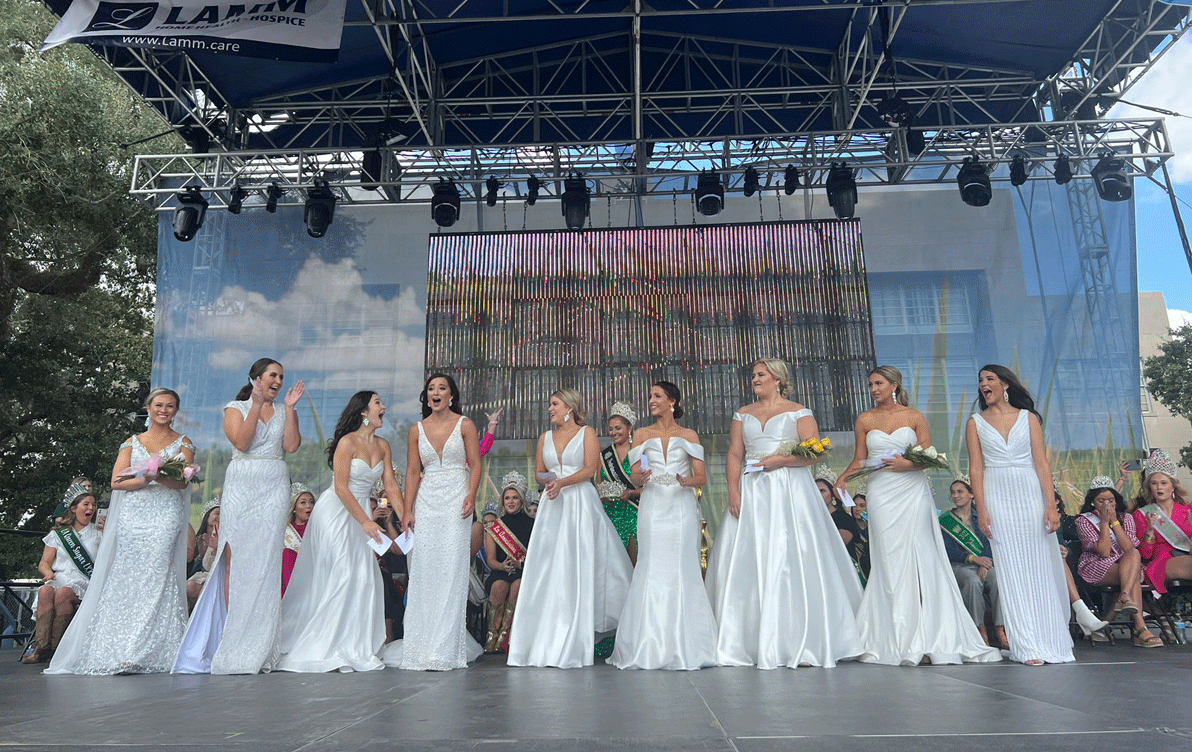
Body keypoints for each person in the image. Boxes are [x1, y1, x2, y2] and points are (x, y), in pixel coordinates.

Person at [837, 366, 999, 666]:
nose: (873, 389)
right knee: (889, 561)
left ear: (894, 385)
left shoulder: (914, 417)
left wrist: (906, 465)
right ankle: (895, 634)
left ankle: (930, 635)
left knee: (922, 559)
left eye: (879, 383)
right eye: (870, 384)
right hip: (881, 494)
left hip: (912, 493)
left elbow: (932, 457)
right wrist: (843, 478)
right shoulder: (865, 419)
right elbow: (861, 458)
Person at [708, 358, 863, 669]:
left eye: (761, 374)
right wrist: (734, 491)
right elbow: (735, 453)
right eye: (752, 375)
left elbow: (816, 451)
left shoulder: (798, 411)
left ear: (777, 379)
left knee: (794, 555)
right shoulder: (743, 414)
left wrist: (781, 461)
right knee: (752, 556)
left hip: (790, 490)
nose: (754, 379)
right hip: (754, 490)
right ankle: (748, 639)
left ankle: (803, 637)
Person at [47, 388, 196, 675]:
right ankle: (120, 646)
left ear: (176, 410)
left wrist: (160, 475)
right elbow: (117, 481)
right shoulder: (131, 442)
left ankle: (145, 647)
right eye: (159, 405)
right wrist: (144, 479)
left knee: (157, 571)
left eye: (170, 406)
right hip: (133, 515)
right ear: (149, 408)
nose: (164, 410)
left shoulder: (184, 443)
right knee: (129, 575)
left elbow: (183, 483)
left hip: (165, 514)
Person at [173, 358, 304, 675]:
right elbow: (243, 442)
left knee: (266, 560)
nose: (277, 380)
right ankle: (234, 634)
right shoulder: (235, 407)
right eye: (272, 375)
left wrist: (291, 409)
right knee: (236, 557)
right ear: (256, 378)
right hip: (243, 483)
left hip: (273, 484)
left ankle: (260, 640)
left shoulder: (285, 409)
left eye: (281, 377)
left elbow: (292, 445)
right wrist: (256, 405)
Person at [507, 388, 634, 668]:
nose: (549, 409)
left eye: (554, 404)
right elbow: (540, 471)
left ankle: (580, 627)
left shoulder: (587, 433)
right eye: (549, 404)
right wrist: (550, 481)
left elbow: (590, 469)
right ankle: (551, 629)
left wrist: (563, 483)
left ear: (569, 407)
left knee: (580, 562)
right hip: (554, 506)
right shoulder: (544, 438)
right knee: (551, 565)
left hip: (579, 504)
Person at [276, 392, 402, 672]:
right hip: (336, 512)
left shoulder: (383, 445)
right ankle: (327, 643)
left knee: (365, 576)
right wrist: (365, 522)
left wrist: (406, 516)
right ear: (363, 412)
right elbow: (342, 487)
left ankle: (355, 641)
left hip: (362, 515)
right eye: (378, 403)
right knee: (344, 571)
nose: (384, 407)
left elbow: (390, 485)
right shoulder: (347, 443)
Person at [967, 364, 1072, 665]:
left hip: (1029, 495)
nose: (984, 384)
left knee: (1038, 566)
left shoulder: (1028, 419)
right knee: (1012, 572)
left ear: (1005, 385)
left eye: (990, 379)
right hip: (997, 494)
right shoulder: (975, 422)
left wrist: (1050, 505)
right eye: (981, 381)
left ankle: (1050, 639)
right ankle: (1025, 644)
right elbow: (976, 468)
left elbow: (1042, 464)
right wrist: (982, 508)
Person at [610, 381, 717, 670]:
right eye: (650, 395)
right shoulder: (642, 434)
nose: (651, 400)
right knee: (652, 566)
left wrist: (686, 481)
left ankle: (688, 642)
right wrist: (639, 478)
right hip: (653, 505)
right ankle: (650, 640)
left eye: (656, 396)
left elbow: (701, 477)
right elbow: (634, 474)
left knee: (683, 567)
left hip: (681, 507)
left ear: (672, 401)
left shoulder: (689, 435)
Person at [384, 373, 483, 670]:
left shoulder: (465, 424)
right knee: (425, 570)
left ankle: (444, 649)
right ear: (426, 396)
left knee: (451, 571)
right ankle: (421, 647)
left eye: (442, 388)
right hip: (427, 503)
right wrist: (407, 510)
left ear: (451, 395)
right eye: (431, 388)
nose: (436, 392)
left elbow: (476, 463)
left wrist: (471, 495)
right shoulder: (416, 430)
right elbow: (413, 472)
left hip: (456, 499)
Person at [1075, 477, 1160, 647]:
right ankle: (1140, 627)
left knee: (1133, 557)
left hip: (1125, 562)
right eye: (1101, 500)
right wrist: (1104, 522)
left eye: (1110, 500)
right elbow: (1104, 552)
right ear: (1093, 502)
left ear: (1116, 501)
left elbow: (1129, 548)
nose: (1106, 504)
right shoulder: (1083, 520)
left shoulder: (1126, 518)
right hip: (1097, 564)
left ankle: (1118, 608)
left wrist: (1114, 521)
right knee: (1132, 573)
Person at [22, 490, 101, 664]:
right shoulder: (59, 535)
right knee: (45, 592)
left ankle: (57, 648)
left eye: (93, 505)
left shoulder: (99, 534)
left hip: (85, 579)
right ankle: (41, 647)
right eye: (86, 504)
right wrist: (48, 573)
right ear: (74, 509)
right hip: (60, 576)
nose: (91, 508)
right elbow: (44, 563)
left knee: (64, 593)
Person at [941, 479, 1006, 648]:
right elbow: (948, 550)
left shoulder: (982, 517)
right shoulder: (946, 520)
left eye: (960, 491)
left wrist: (984, 564)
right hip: (959, 566)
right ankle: (979, 629)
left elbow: (990, 542)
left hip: (983, 564)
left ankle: (1000, 628)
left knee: (998, 579)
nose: (956, 495)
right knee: (973, 581)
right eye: (953, 492)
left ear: (971, 494)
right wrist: (972, 559)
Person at [483, 472, 535, 653]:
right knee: (498, 586)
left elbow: (537, 555)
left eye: (515, 498)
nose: (511, 502)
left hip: (524, 570)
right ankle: (492, 636)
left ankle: (507, 638)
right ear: (502, 501)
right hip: (500, 570)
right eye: (507, 498)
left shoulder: (533, 524)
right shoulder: (494, 527)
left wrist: (519, 564)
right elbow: (490, 559)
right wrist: (503, 566)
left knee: (518, 587)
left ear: (521, 500)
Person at [1134, 449, 1192, 595]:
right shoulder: (1142, 514)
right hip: (1163, 561)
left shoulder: (1189, 510)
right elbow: (1145, 555)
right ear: (1149, 487)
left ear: (1173, 486)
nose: (1159, 487)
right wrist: (1150, 532)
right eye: (1154, 483)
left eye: (1163, 483)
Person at [599, 400, 641, 564]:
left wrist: (632, 493)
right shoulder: (604, 456)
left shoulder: (641, 454)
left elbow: (651, 486)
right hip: (610, 513)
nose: (613, 432)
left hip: (634, 512)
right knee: (613, 564)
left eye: (618, 428)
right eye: (610, 429)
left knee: (635, 561)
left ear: (629, 428)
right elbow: (598, 484)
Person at [186, 499, 221, 611]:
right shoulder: (198, 538)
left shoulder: (224, 537)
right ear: (207, 516)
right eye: (217, 513)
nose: (220, 516)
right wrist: (200, 555)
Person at [282, 484, 315, 595]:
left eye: (311, 502)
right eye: (303, 502)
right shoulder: (284, 532)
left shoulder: (317, 529)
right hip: (290, 588)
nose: (309, 506)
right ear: (294, 507)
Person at [850, 493, 871, 577]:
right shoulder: (850, 525)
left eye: (862, 506)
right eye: (854, 506)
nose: (857, 509)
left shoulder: (872, 526)